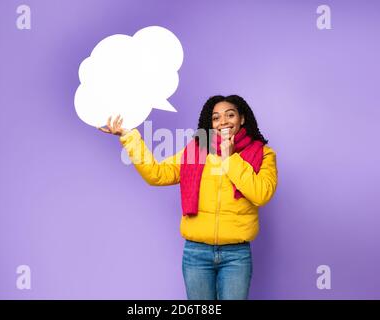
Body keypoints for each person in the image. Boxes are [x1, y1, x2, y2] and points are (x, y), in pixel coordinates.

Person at [98, 95, 278, 300]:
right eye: (216, 118)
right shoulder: (196, 150)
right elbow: (157, 174)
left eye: (230, 115)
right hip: (196, 254)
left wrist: (230, 159)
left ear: (242, 119)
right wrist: (129, 136)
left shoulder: (263, 154)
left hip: (236, 255)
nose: (223, 122)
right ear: (210, 123)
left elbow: (261, 194)